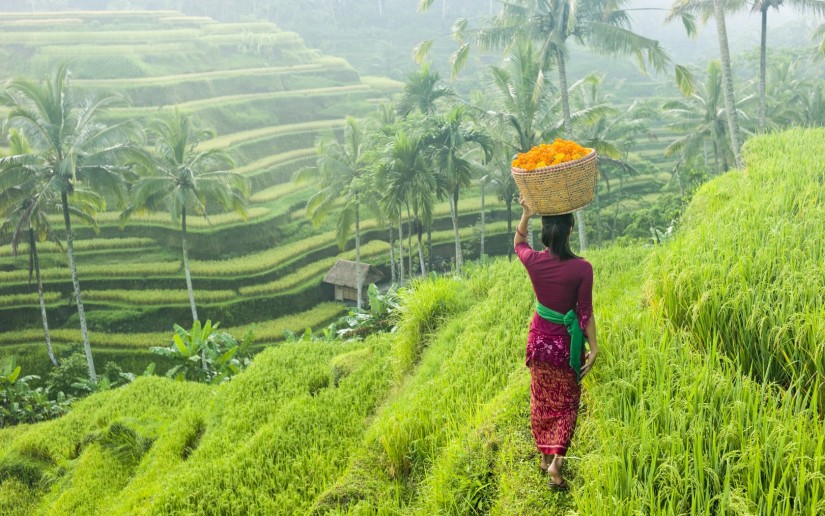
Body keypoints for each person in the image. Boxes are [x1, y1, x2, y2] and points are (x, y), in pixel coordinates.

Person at [513, 196, 598, 491]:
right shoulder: (583, 268)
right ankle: (555, 465)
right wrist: (595, 348)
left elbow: (519, 244)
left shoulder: (535, 262)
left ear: (546, 233)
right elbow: (584, 312)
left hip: (538, 344)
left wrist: (526, 213)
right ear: (570, 230)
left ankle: (542, 455)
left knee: (541, 400)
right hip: (565, 348)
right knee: (567, 405)